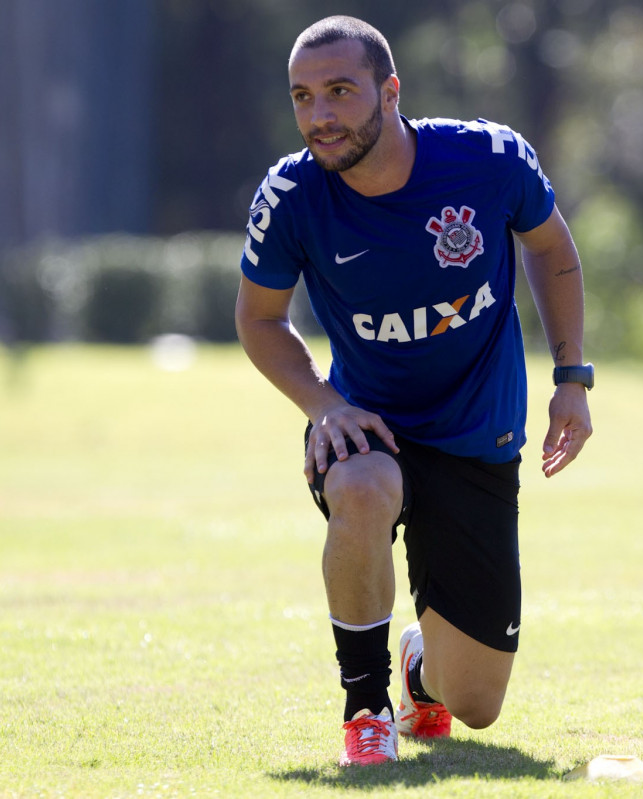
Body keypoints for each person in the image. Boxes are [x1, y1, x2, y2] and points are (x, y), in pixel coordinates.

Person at [235, 15, 593, 767]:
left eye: (340, 91)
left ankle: (420, 667)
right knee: (362, 487)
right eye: (303, 97)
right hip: (369, 424)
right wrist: (323, 406)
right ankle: (365, 711)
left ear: (390, 92)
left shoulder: (488, 159)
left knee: (476, 704)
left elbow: (552, 247)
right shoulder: (290, 194)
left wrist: (571, 378)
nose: (320, 115)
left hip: (476, 433)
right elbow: (261, 320)